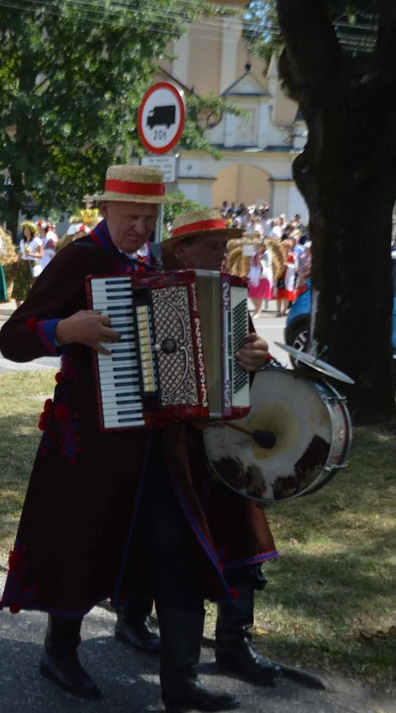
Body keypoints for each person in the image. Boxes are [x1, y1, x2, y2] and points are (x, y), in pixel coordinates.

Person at [0, 166, 267, 712]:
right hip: (89, 440)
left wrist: (241, 354)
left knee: (177, 548)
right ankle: (60, 651)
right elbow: (11, 338)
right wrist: (63, 330)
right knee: (80, 542)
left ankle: (181, 681)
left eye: (150, 218)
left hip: (157, 445)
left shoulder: (154, 266)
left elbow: (189, 341)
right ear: (107, 211)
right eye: (131, 217)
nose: (141, 227)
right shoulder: (79, 260)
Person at [114, 209, 281, 687]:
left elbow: (247, 357)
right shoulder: (147, 288)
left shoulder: (231, 295)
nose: (220, 253)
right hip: (165, 441)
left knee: (244, 530)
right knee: (166, 541)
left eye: (222, 245)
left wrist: (253, 355)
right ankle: (133, 619)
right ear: (182, 250)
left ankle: (234, 642)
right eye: (211, 245)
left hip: (224, 436)